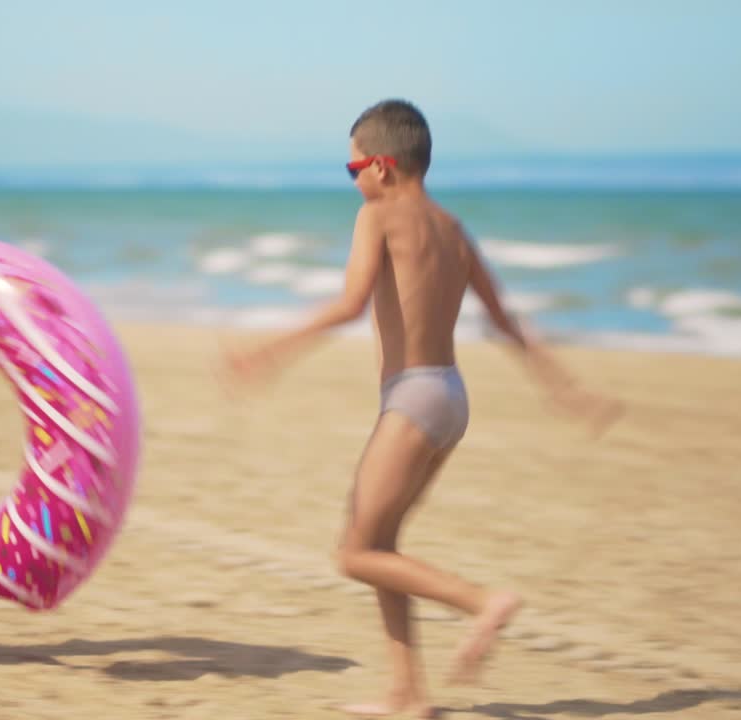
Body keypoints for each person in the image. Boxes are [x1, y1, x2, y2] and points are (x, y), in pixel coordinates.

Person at [221, 99, 622, 717]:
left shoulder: (379, 217)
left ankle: (482, 602)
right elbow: (505, 322)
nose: (353, 180)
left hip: (412, 396)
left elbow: (352, 303)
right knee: (384, 545)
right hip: (451, 396)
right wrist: (564, 388)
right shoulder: (453, 228)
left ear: (381, 167)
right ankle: (408, 695)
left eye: (352, 168)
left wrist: (269, 350)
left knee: (354, 553)